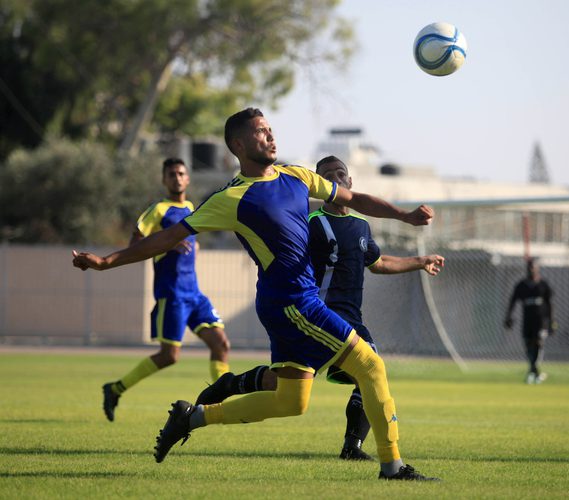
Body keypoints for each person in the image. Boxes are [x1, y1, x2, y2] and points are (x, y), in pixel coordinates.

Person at [72, 108, 438, 481]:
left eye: (270, 129)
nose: (270, 136)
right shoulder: (231, 198)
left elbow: (355, 197)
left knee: (290, 401)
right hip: (294, 302)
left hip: (287, 302)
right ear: (239, 144)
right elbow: (168, 237)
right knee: (371, 365)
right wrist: (107, 261)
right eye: (261, 132)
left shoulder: (296, 176)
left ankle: (192, 417)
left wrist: (404, 217)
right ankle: (393, 467)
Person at [194, 155, 445, 462]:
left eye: (341, 173)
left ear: (350, 182)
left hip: (350, 315)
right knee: (370, 367)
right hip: (319, 313)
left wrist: (420, 262)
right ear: (321, 185)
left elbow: (377, 263)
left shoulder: (361, 225)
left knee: (290, 388)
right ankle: (366, 453)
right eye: (328, 175)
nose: (336, 178)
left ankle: (231, 384)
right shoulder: (311, 224)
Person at [100, 158, 230, 422]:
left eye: (181, 173)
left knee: (221, 344)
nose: (177, 178)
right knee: (169, 356)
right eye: (171, 174)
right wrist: (166, 244)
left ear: (188, 179)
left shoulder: (192, 207)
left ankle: (219, 405)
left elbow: (191, 242)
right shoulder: (158, 209)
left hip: (194, 293)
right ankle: (115, 389)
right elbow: (135, 243)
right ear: (164, 179)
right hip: (171, 294)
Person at [504, 257, 555, 384]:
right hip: (527, 321)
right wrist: (508, 317)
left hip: (540, 320)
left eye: (533, 267)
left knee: (538, 343)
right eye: (529, 267)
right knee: (528, 345)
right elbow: (513, 301)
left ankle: (533, 372)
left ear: (537, 268)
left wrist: (551, 321)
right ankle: (535, 372)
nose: (531, 269)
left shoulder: (543, 285)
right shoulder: (521, 285)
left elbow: (550, 304)